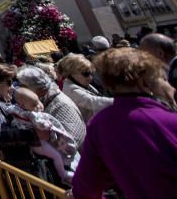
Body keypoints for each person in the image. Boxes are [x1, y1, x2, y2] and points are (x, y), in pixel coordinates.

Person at [71, 49, 177, 199]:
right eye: (160, 77)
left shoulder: (100, 124)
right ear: (144, 81)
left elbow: (86, 188)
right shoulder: (167, 120)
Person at [0, 61, 45, 172]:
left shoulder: (2, 99)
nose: (11, 86)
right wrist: (35, 132)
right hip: (18, 168)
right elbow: (0, 135)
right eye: (8, 82)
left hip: (25, 162)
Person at [8, 87, 77, 185]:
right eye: (34, 104)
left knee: (58, 152)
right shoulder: (30, 114)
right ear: (22, 105)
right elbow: (39, 123)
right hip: (38, 144)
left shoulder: (15, 110)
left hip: (37, 141)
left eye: (38, 101)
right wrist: (47, 125)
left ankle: (64, 167)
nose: (38, 106)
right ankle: (63, 175)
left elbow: (10, 110)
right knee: (56, 155)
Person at [15, 65, 85, 148]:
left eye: (23, 86)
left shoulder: (60, 104)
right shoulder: (44, 101)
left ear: (39, 89)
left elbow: (75, 139)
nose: (21, 90)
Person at [58, 54, 113, 124]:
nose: (90, 78)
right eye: (86, 74)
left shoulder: (78, 82)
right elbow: (93, 102)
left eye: (91, 73)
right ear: (71, 73)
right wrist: (121, 101)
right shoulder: (71, 90)